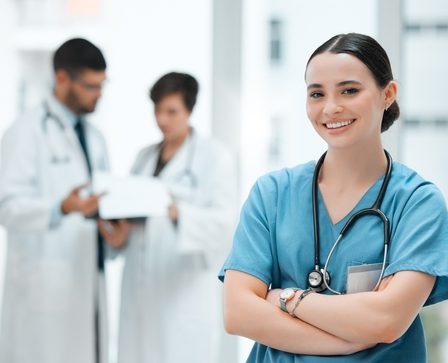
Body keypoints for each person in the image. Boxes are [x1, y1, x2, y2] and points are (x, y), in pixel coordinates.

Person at [219, 33, 448, 362]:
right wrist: (349, 340)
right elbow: (238, 313)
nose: (330, 107)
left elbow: (386, 320)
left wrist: (287, 299)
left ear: (388, 94)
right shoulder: (272, 194)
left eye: (349, 90)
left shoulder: (417, 202)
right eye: (316, 94)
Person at [100, 72, 238, 363]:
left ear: (189, 110)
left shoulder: (214, 157)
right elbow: (133, 215)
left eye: (171, 111)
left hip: (183, 292)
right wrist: (119, 232)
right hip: (140, 289)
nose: (162, 119)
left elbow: (225, 224)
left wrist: (179, 214)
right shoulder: (143, 157)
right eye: (158, 110)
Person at [0, 38, 110, 363]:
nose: (99, 94)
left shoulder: (95, 138)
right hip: (43, 289)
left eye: (103, 85)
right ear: (62, 78)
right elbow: (6, 206)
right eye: (91, 86)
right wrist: (60, 207)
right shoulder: (26, 131)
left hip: (86, 279)